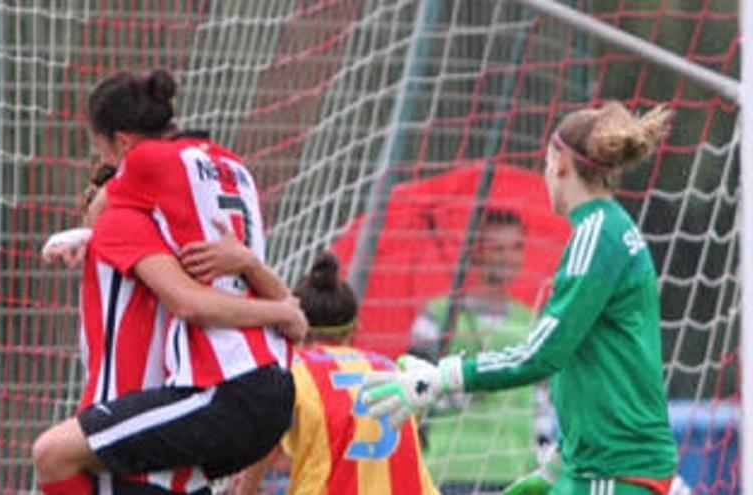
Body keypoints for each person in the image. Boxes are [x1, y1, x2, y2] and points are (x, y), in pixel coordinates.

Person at [361, 101, 678, 495]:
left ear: (560, 162)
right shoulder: (605, 230)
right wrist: (556, 466)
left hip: (611, 473)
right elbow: (591, 364)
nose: (546, 175)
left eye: (546, 164)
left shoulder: (597, 235)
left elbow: (541, 355)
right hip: (598, 466)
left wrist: (442, 377)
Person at [32, 68, 306, 495]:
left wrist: (90, 229)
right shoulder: (233, 168)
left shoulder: (140, 178)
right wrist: (278, 300)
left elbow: (187, 302)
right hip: (268, 382)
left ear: (122, 144)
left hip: (223, 387)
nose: (103, 180)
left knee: (52, 452)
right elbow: (288, 311)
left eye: (101, 156)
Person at [220, 252, 440, 495]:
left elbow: (267, 444)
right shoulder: (390, 368)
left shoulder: (293, 371)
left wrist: (244, 490)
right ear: (355, 329)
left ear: (289, 325)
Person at [408, 208, 550, 493]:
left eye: (516, 247)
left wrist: (544, 457)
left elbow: (540, 400)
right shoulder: (439, 315)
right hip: (451, 467)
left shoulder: (531, 320)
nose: (508, 257)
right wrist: (464, 389)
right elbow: (414, 390)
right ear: (476, 252)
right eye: (497, 248)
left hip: (516, 471)